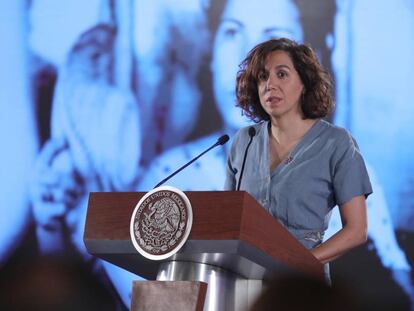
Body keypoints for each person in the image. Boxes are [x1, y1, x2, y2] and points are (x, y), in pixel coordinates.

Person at [137, 0, 335, 190]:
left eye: (274, 40)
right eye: (232, 33)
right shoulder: (167, 179)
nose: (247, 62)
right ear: (211, 56)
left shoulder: (341, 182)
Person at [225, 38, 372, 281]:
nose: (270, 84)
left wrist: (299, 263)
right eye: (262, 77)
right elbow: (227, 220)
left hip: (300, 285)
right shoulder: (244, 140)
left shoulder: (336, 142)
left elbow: (357, 230)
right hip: (242, 282)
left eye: (281, 74)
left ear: (304, 82)